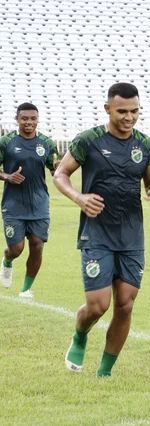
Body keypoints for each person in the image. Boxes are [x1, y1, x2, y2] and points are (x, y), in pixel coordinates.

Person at [53, 83, 150, 377]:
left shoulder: (146, 145)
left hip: (131, 235)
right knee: (98, 305)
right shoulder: (89, 140)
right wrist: (79, 197)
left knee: (126, 305)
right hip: (97, 233)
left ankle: (104, 373)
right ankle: (80, 336)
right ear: (108, 109)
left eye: (134, 111)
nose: (129, 117)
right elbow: (60, 174)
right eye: (122, 112)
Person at [0, 103, 59, 298]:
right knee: (16, 249)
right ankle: (7, 261)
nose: (29, 122)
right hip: (13, 204)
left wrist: (58, 168)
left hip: (39, 203)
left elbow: (54, 169)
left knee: (37, 245)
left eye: (33, 119)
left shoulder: (47, 143)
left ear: (37, 119)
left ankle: (25, 289)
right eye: (25, 118)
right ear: (17, 119)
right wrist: (7, 176)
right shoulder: (6, 142)